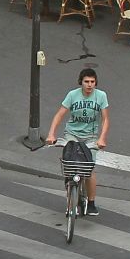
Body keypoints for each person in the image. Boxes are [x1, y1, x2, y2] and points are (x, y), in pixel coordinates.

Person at [44, 68, 109, 217]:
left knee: (89, 169)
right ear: (81, 82)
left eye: (92, 82)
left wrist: (102, 138)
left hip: (91, 136)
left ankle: (91, 203)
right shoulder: (72, 95)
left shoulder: (101, 96)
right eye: (86, 81)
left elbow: (105, 119)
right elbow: (59, 115)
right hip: (72, 133)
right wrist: (51, 134)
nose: (89, 85)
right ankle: (71, 194)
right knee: (70, 165)